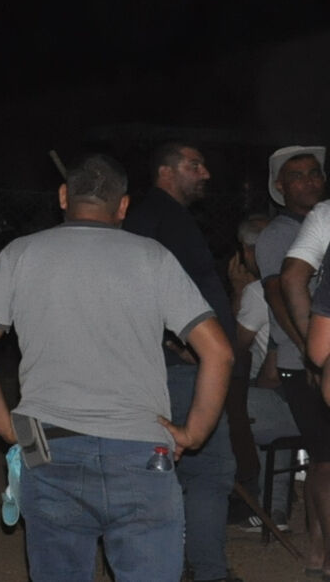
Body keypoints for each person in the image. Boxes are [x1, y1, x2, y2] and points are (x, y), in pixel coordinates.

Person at [0, 153, 231, 582]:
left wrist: (12, 433)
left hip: (47, 445)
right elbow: (219, 351)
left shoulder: (20, 255)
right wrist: (193, 433)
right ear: (123, 206)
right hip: (142, 450)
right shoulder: (153, 257)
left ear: (63, 196)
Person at [120, 141, 242, 582]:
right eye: (195, 165)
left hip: (191, 366)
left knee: (186, 471)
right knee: (207, 471)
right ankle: (204, 571)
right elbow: (126, 280)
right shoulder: (152, 215)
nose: (205, 173)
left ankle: (186, 567)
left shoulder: (169, 217)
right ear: (165, 172)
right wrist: (174, 341)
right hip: (180, 372)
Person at [258, 144, 330, 569]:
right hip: (301, 359)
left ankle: (318, 551)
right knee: (325, 461)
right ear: (279, 187)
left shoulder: (317, 223)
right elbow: (279, 293)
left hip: (310, 356)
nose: (310, 180)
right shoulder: (279, 234)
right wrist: (310, 354)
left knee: (323, 459)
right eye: (298, 175)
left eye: (315, 172)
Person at [234, 213, 299, 522]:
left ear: (248, 252)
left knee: (232, 402)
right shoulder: (305, 281)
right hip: (304, 400)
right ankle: (275, 504)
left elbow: (233, 348)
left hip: (290, 399)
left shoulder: (257, 292)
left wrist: (237, 291)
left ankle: (259, 504)